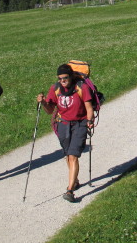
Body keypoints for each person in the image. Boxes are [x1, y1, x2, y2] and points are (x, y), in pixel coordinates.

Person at [36, 64, 93, 202]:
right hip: (63, 124)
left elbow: (89, 107)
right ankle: (75, 181)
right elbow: (50, 110)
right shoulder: (55, 89)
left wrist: (89, 121)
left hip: (80, 124)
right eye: (60, 79)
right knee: (68, 155)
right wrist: (43, 102)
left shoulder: (81, 87)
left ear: (71, 76)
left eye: (65, 78)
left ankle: (70, 191)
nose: (62, 81)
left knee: (73, 156)